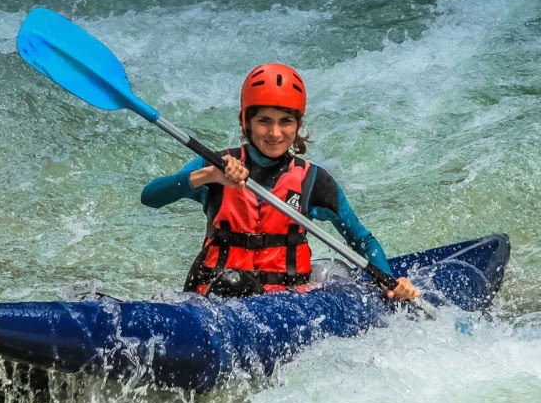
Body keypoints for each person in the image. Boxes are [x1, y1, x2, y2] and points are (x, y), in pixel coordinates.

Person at [141, 63, 419, 299]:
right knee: (231, 282)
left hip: (284, 305)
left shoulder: (314, 181)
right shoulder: (216, 166)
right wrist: (207, 177)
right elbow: (150, 197)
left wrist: (391, 283)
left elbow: (362, 240)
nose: (275, 133)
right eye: (264, 121)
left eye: (285, 121)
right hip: (214, 297)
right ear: (245, 122)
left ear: (298, 124)